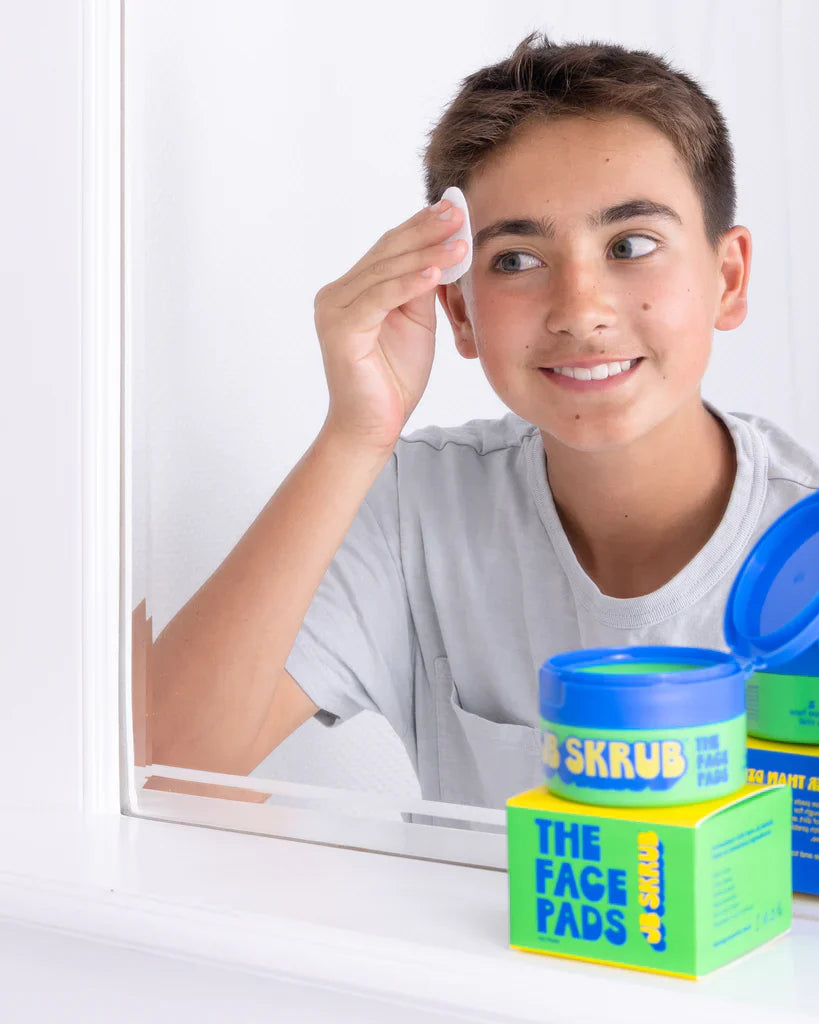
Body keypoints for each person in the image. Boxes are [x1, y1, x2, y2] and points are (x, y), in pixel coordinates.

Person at [149, 31, 819, 810]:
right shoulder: (413, 508)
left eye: (631, 244)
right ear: (459, 313)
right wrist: (352, 434)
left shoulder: (800, 538)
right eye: (515, 260)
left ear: (727, 277)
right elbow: (160, 770)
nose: (580, 310)